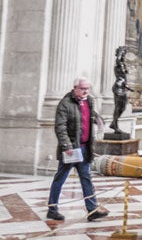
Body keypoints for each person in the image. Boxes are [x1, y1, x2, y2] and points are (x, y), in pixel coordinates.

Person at [47, 77, 109, 222]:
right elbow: (60, 127)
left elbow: (88, 116)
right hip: (71, 149)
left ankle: (92, 209)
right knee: (60, 178)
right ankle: (52, 209)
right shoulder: (65, 103)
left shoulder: (90, 100)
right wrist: (66, 146)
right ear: (75, 88)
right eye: (82, 88)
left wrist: (98, 120)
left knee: (86, 178)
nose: (85, 91)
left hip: (85, 147)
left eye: (87, 88)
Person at [105, 45, 130, 140]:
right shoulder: (119, 62)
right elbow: (118, 59)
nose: (124, 55)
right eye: (123, 53)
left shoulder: (122, 63)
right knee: (118, 107)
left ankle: (113, 123)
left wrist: (126, 86)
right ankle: (115, 126)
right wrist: (121, 51)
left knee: (123, 107)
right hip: (118, 88)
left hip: (122, 87)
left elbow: (123, 77)